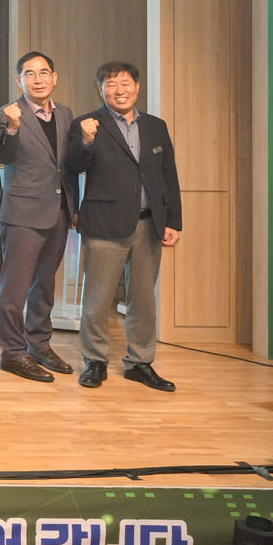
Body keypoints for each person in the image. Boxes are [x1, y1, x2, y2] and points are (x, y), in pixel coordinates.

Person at [0, 51, 91, 382]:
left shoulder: (65, 113)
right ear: (19, 81)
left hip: (59, 211)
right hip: (22, 213)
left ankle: (38, 343)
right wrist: (12, 128)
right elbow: (3, 156)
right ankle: (12, 352)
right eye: (30, 74)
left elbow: (66, 166)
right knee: (14, 288)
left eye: (44, 73)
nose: (38, 79)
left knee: (44, 285)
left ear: (54, 77)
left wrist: (73, 206)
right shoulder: (6, 114)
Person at [73, 62, 183, 392]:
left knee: (143, 300)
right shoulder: (88, 124)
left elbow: (168, 175)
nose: (119, 90)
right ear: (100, 90)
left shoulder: (156, 126)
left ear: (137, 87)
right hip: (104, 224)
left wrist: (174, 220)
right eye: (111, 84)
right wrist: (86, 141)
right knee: (98, 299)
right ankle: (95, 360)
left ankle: (140, 362)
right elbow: (72, 166)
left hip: (149, 224)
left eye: (125, 83)